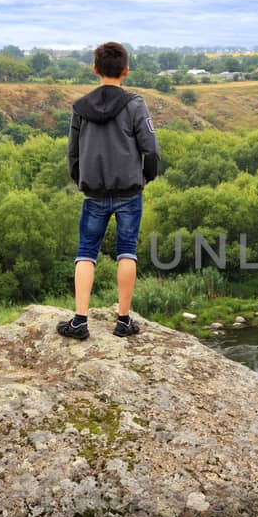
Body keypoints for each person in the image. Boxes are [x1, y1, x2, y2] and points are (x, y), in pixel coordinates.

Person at [58, 41, 159, 339]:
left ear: (94, 69)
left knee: (85, 254)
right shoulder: (135, 105)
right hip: (129, 191)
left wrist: (81, 180)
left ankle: (79, 321)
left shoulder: (80, 107)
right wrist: (146, 177)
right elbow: (151, 148)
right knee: (127, 251)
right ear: (125, 71)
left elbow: (72, 153)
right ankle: (123, 321)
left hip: (94, 193)